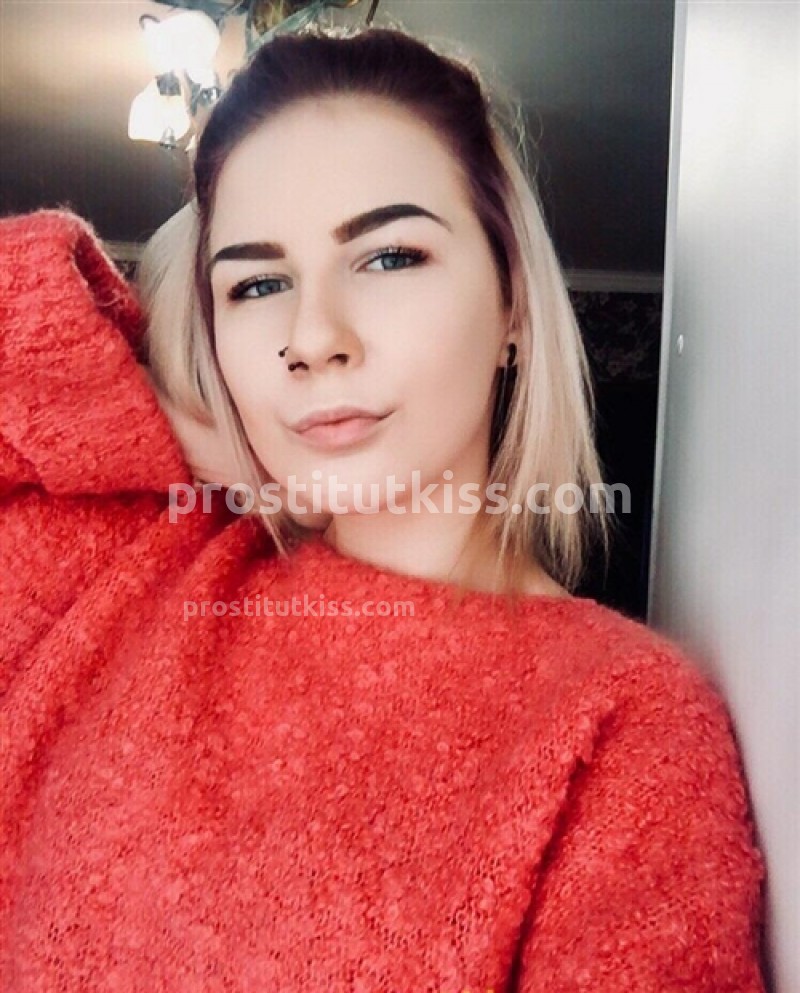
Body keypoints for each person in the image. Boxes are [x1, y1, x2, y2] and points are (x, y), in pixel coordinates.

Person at [0, 23, 767, 992]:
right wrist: (181, 436)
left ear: (512, 303)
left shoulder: (623, 718)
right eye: (258, 283)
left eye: (389, 256)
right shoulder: (133, 562)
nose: (312, 337)